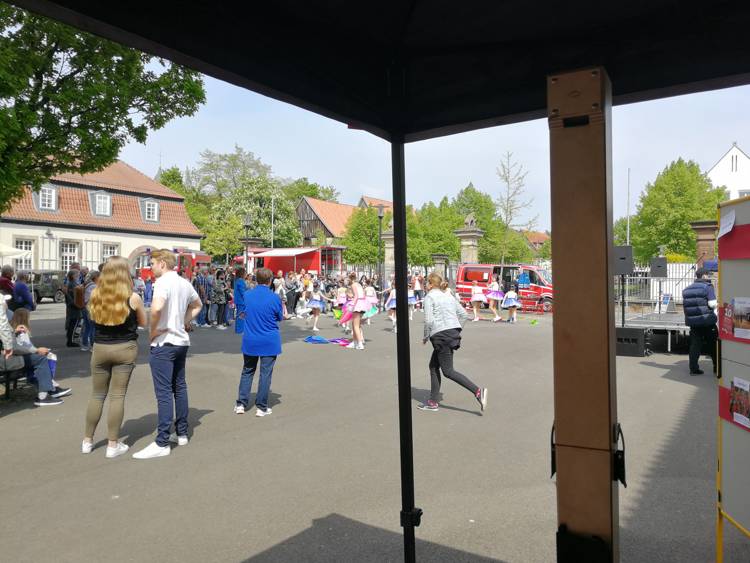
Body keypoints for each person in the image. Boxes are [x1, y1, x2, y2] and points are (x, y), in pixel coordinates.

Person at [133, 249, 202, 459]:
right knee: (179, 386)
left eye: (152, 263)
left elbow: (155, 309)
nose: (151, 267)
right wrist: (182, 322)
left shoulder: (162, 282)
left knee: (164, 392)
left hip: (165, 342)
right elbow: (197, 304)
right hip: (181, 341)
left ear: (162, 263)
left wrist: (153, 331)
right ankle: (181, 432)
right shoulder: (183, 282)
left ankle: (162, 441)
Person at [82, 257, 147, 458]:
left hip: (100, 347)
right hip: (125, 348)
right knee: (117, 396)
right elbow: (143, 323)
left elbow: (92, 318)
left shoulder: (95, 295)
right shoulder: (133, 297)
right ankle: (112, 445)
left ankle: (87, 440)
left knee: (97, 394)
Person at [418, 273, 487, 412]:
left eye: (426, 283)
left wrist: (425, 336)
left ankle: (477, 391)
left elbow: (429, 320)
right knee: (433, 366)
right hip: (450, 335)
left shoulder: (429, 297)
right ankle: (433, 401)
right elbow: (464, 315)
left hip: (440, 336)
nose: (425, 285)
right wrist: (456, 330)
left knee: (448, 371)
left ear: (431, 284)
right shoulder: (448, 296)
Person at [234, 268, 283, 416]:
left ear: (256, 279)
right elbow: (280, 317)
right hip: (269, 339)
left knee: (247, 371)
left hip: (251, 338)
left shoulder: (248, 295)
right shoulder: (274, 298)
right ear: (270, 281)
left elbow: (242, 313)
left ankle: (241, 404)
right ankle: (261, 407)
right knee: (265, 373)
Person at [10, 307, 71, 406]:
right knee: (43, 358)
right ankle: (46, 393)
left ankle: (51, 387)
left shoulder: (13, 328)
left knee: (44, 357)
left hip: (15, 356)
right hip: (15, 358)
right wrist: (37, 350)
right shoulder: (21, 330)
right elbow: (21, 348)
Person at [682, 267, 718, 375]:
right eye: (707, 274)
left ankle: (693, 369)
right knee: (713, 345)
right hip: (707, 322)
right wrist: (718, 303)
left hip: (694, 323)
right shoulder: (707, 287)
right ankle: (717, 367)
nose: (708, 276)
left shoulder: (687, 289)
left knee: (695, 345)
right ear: (703, 276)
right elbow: (712, 304)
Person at [346, 272, 368, 350]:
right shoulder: (359, 284)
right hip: (362, 304)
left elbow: (356, 296)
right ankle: (355, 342)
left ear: (350, 279)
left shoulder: (353, 285)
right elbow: (362, 295)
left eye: (347, 279)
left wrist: (352, 305)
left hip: (357, 305)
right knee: (355, 324)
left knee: (356, 326)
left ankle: (359, 343)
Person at [80, 271, 99, 351]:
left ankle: (85, 345)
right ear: (96, 278)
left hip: (86, 307)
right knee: (93, 328)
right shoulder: (94, 286)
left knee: (87, 327)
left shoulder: (88, 284)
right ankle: (92, 346)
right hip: (91, 308)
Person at [64, 270, 83, 346]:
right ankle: (71, 342)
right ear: (73, 276)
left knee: (72, 325)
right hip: (74, 308)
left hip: (72, 307)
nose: (79, 276)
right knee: (73, 325)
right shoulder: (73, 284)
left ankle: (70, 341)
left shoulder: (70, 283)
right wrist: (77, 304)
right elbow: (72, 297)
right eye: (77, 275)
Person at [234, 267, 247, 334]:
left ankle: (238, 329)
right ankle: (240, 330)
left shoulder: (237, 280)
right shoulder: (241, 281)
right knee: (241, 316)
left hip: (238, 301)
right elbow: (243, 292)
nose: (246, 274)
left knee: (239, 315)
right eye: (245, 273)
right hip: (241, 301)